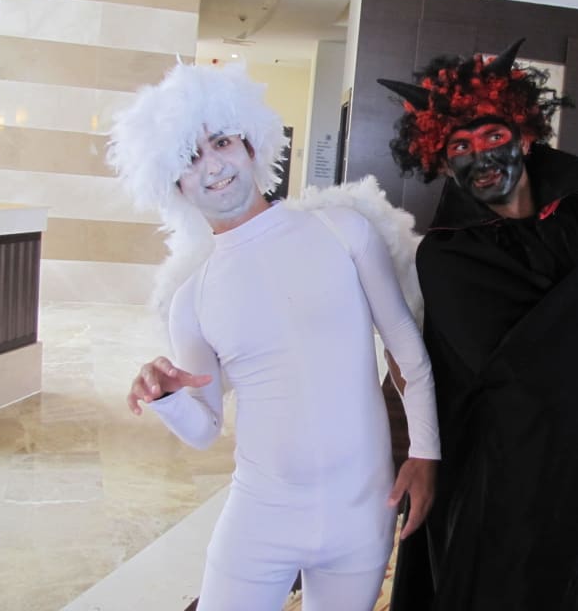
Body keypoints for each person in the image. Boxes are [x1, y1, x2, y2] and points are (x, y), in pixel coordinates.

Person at [108, 62, 440, 611]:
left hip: (362, 516)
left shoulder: (344, 231)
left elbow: (409, 352)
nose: (213, 166)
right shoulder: (191, 299)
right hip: (259, 520)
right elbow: (203, 430)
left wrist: (426, 453)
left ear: (251, 144)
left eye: (221, 142)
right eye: (190, 158)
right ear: (174, 184)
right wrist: (166, 396)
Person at [378, 39, 578, 610]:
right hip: (499, 468)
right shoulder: (447, 256)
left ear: (525, 137)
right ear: (443, 162)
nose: (480, 156)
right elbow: (499, 368)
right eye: (460, 146)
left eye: (492, 136)